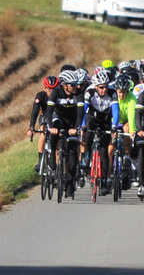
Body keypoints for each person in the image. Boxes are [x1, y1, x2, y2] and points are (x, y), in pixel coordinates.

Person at [45, 70, 85, 198]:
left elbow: (80, 114)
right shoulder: (56, 92)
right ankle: (52, 155)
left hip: (72, 122)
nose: (75, 87)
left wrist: (77, 127)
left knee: (73, 152)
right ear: (64, 85)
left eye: (76, 84)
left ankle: (70, 181)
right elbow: (49, 112)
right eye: (72, 84)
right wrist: (50, 127)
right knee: (55, 131)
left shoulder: (79, 94)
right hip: (59, 119)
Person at [82, 71, 119, 196]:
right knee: (88, 129)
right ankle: (87, 155)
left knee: (104, 152)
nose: (104, 90)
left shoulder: (112, 93)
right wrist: (82, 125)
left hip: (106, 121)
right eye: (101, 87)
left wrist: (114, 126)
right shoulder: (89, 92)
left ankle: (103, 181)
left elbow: (115, 111)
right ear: (96, 86)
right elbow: (84, 110)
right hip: (92, 118)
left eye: (105, 87)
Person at [28, 76, 59, 172]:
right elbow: (35, 111)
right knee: (43, 133)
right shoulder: (40, 96)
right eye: (49, 89)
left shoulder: (60, 95)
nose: (51, 92)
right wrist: (31, 127)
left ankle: (57, 168)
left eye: (54, 89)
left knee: (57, 140)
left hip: (57, 116)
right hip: (45, 116)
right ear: (45, 88)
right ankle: (41, 159)